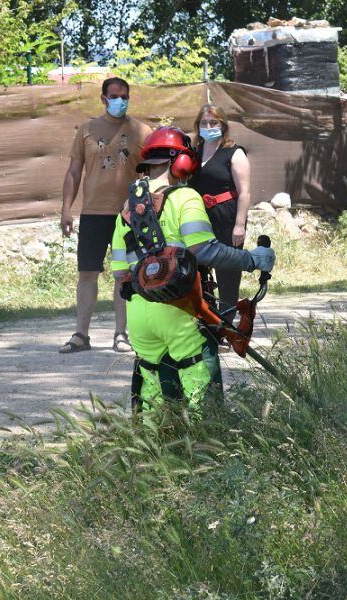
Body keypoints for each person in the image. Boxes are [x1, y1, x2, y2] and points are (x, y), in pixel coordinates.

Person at [109, 126, 275, 409]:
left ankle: (151, 450)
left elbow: (119, 273)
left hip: (139, 315)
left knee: (152, 392)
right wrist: (252, 260)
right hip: (180, 310)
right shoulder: (185, 198)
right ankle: (205, 445)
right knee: (200, 392)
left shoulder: (126, 208)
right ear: (181, 161)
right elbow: (205, 249)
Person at [59, 77, 151, 354]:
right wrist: (66, 209)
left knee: (125, 275)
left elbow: (152, 173)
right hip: (93, 214)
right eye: (114, 96)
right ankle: (80, 335)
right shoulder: (86, 129)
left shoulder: (141, 131)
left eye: (124, 96)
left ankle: (121, 334)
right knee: (87, 273)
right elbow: (74, 172)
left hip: (129, 215)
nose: (120, 101)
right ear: (103, 98)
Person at [190, 104, 252, 313]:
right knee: (197, 272)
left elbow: (244, 192)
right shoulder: (193, 153)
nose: (209, 126)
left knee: (227, 273)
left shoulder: (234, 152)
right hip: (198, 218)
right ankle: (208, 324)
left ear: (223, 125)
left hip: (227, 216)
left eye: (213, 122)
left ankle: (227, 326)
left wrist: (239, 225)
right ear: (198, 126)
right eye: (204, 123)